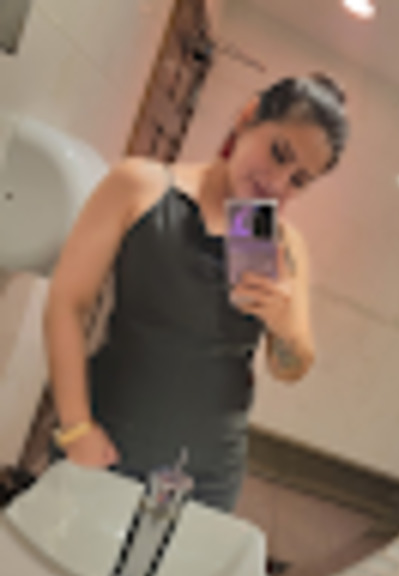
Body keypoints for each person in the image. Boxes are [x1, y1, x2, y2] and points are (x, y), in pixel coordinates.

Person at [43, 72, 349, 512]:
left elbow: (292, 366)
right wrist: (76, 428)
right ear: (248, 116)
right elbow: (67, 304)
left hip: (209, 474)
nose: (278, 184)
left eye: (299, 180)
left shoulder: (283, 245)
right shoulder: (140, 186)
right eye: (278, 153)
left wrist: (284, 326)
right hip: (107, 437)